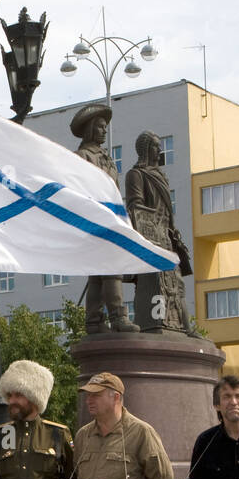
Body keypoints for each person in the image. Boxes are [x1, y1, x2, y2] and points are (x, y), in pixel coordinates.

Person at [70, 105, 137, 334]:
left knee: (99, 273)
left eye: (105, 127)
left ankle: (94, 320)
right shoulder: (83, 156)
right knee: (112, 268)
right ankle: (118, 317)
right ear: (90, 129)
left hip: (111, 219)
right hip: (96, 220)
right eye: (99, 127)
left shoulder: (106, 158)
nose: (104, 131)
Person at [124, 131, 198, 336]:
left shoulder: (161, 176)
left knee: (177, 284)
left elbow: (167, 213)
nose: (159, 150)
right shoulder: (136, 175)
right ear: (146, 149)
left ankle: (185, 327)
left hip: (166, 236)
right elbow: (135, 207)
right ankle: (155, 323)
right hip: (150, 239)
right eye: (156, 146)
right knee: (155, 284)